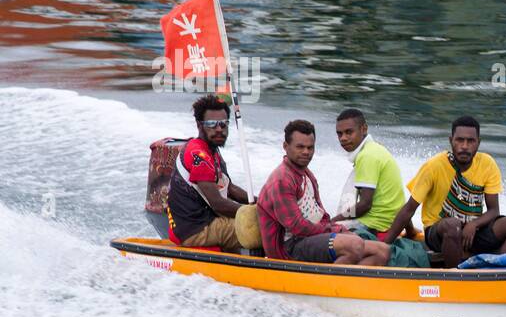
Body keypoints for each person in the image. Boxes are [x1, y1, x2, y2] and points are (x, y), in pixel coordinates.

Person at [379, 116, 506, 268]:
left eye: (470, 141)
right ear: (451, 140)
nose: (464, 146)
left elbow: (494, 210)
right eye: (460, 140)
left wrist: (474, 224)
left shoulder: (487, 164)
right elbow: (409, 208)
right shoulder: (434, 166)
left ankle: (498, 272)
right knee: (453, 225)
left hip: (472, 232)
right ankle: (455, 275)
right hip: (440, 232)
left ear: (479, 142)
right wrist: (384, 247)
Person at [257, 120, 392, 265]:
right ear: (285, 146)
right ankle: (332, 285)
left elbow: (320, 215)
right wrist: (332, 229)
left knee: (382, 250)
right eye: (300, 147)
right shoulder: (282, 180)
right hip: (289, 247)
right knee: (354, 245)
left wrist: (338, 229)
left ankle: (346, 283)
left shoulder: (307, 175)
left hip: (310, 237)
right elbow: (297, 226)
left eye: (310, 147)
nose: (306, 152)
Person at [166, 93, 252, 252]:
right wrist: (255, 213)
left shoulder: (212, 150)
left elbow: (230, 188)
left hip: (204, 221)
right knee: (261, 230)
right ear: (199, 125)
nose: (219, 129)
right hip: (195, 229)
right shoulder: (199, 155)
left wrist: (260, 202)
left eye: (223, 124)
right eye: (212, 124)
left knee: (259, 221)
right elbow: (218, 204)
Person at [333, 108, 410, 236]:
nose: (343, 138)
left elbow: (365, 205)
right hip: (391, 221)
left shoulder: (366, 156)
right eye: (339, 134)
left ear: (364, 129)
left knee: (325, 234)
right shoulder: (375, 148)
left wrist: (333, 221)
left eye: (349, 132)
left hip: (375, 224)